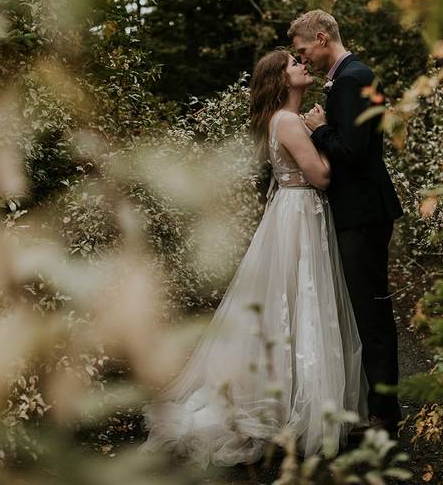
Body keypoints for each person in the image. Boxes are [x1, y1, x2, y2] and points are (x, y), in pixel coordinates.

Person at [141, 49, 368, 467]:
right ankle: (298, 404)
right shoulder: (288, 121)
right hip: (300, 213)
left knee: (289, 304)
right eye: (293, 63)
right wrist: (320, 132)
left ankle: (295, 395)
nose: (302, 65)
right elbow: (319, 176)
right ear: (281, 80)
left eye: (302, 59)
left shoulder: (280, 120)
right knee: (301, 301)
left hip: (291, 213)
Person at [291, 10, 404, 434]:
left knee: (372, 311)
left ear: (322, 38)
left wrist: (319, 129)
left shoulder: (353, 78)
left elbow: (355, 152)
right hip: (359, 211)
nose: (304, 61)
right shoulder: (350, 76)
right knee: (366, 308)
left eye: (304, 51)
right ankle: (377, 406)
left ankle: (385, 414)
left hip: (362, 212)